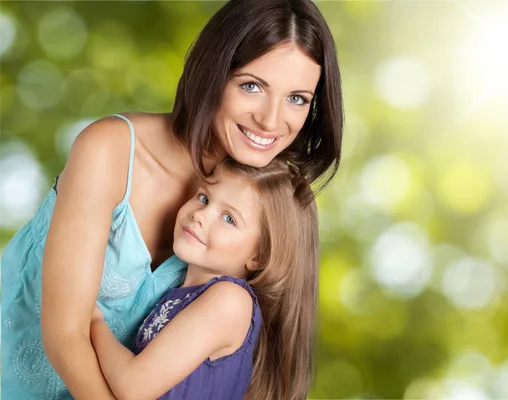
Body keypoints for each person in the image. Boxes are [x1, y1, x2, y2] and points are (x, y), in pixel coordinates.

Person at [1, 0, 343, 398]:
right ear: (212, 74)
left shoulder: (273, 206)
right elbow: (65, 334)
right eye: (252, 86)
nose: (270, 120)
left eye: (297, 98)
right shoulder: (110, 150)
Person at [90, 156, 318, 400]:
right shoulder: (183, 291)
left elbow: (132, 387)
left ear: (259, 257)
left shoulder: (230, 301)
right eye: (204, 198)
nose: (201, 215)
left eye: (229, 218)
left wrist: (93, 321)